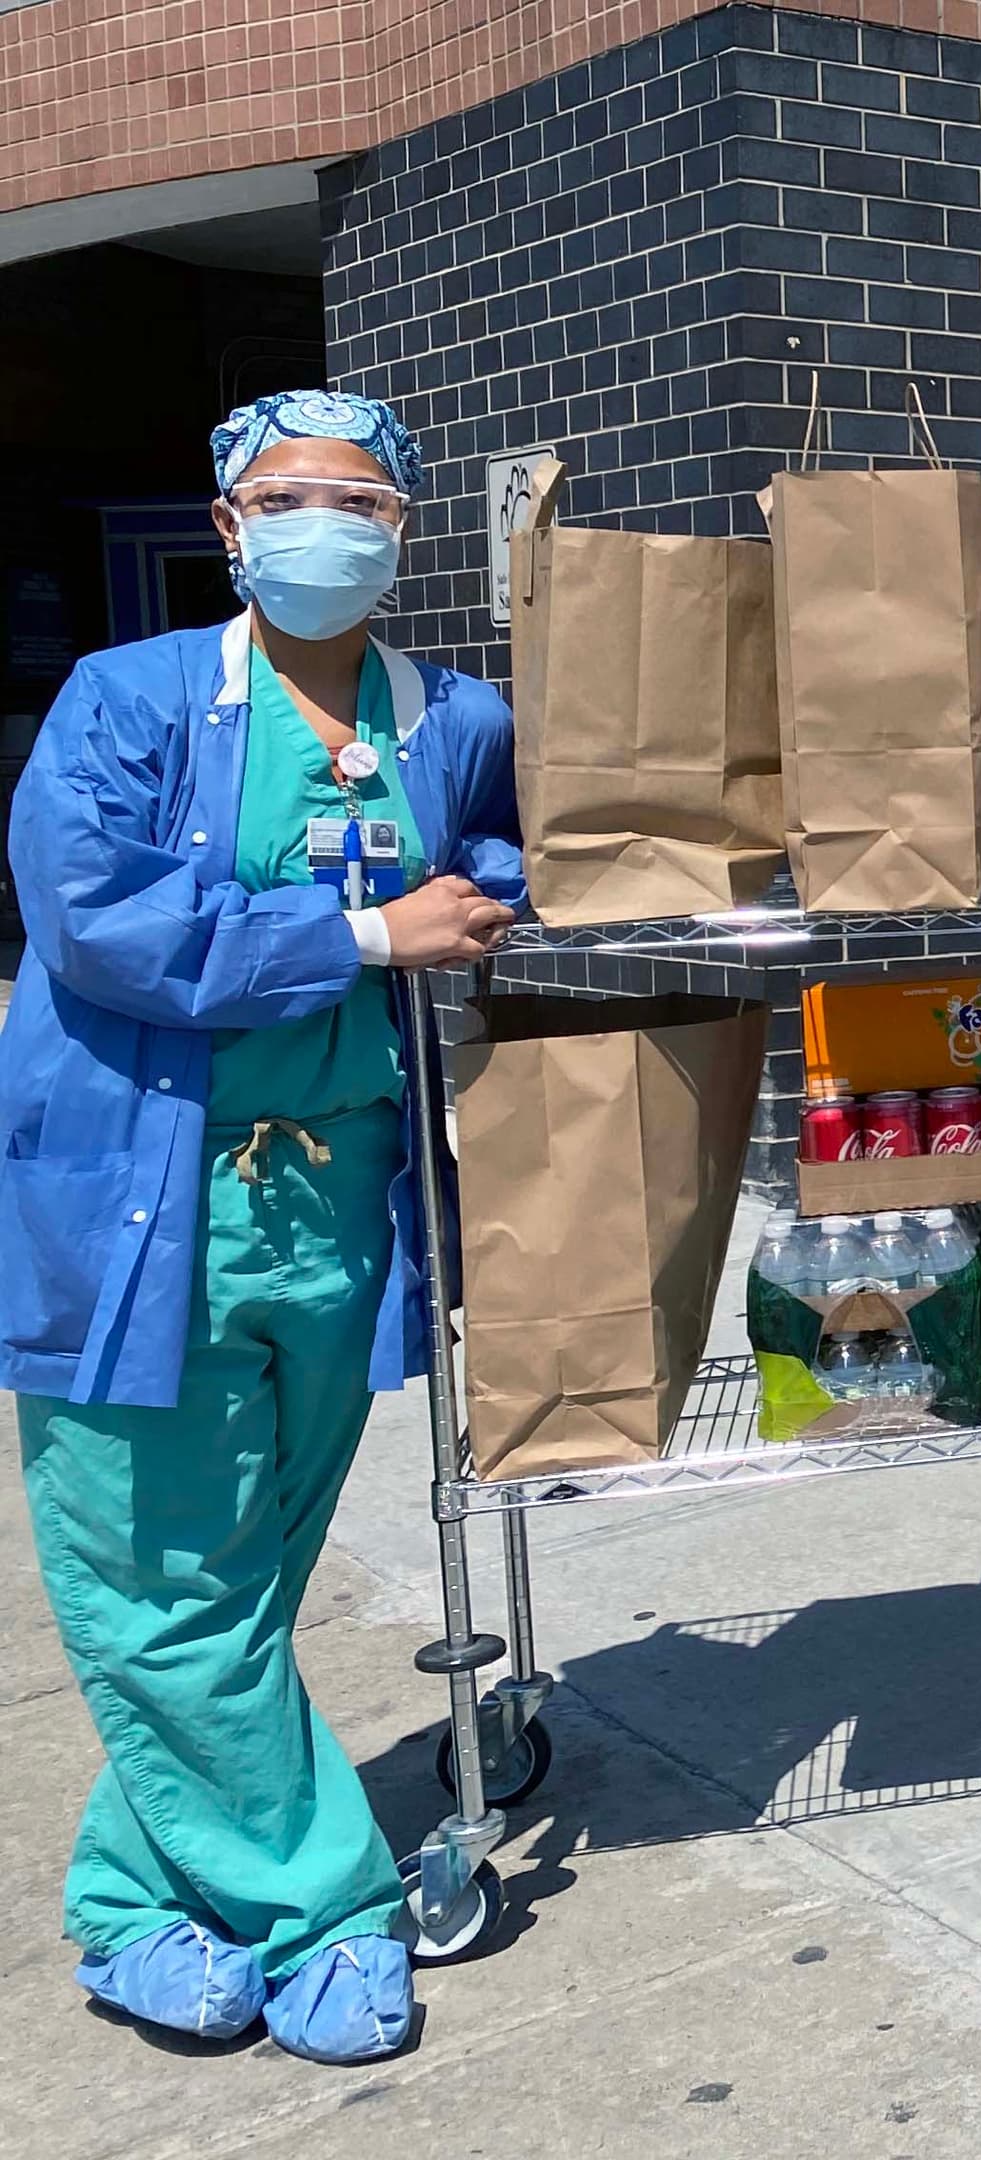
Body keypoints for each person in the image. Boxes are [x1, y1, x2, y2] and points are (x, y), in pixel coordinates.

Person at [5, 389, 522, 2063]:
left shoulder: (447, 714)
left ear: (405, 530)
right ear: (228, 528)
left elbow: (490, 867)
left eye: (362, 501)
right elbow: (102, 924)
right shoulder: (128, 703)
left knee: (234, 1595)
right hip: (146, 1211)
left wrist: (500, 906)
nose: (326, 528)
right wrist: (366, 939)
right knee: (159, 1583)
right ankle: (324, 1903)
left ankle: (130, 1903)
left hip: (338, 1202)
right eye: (290, 500)